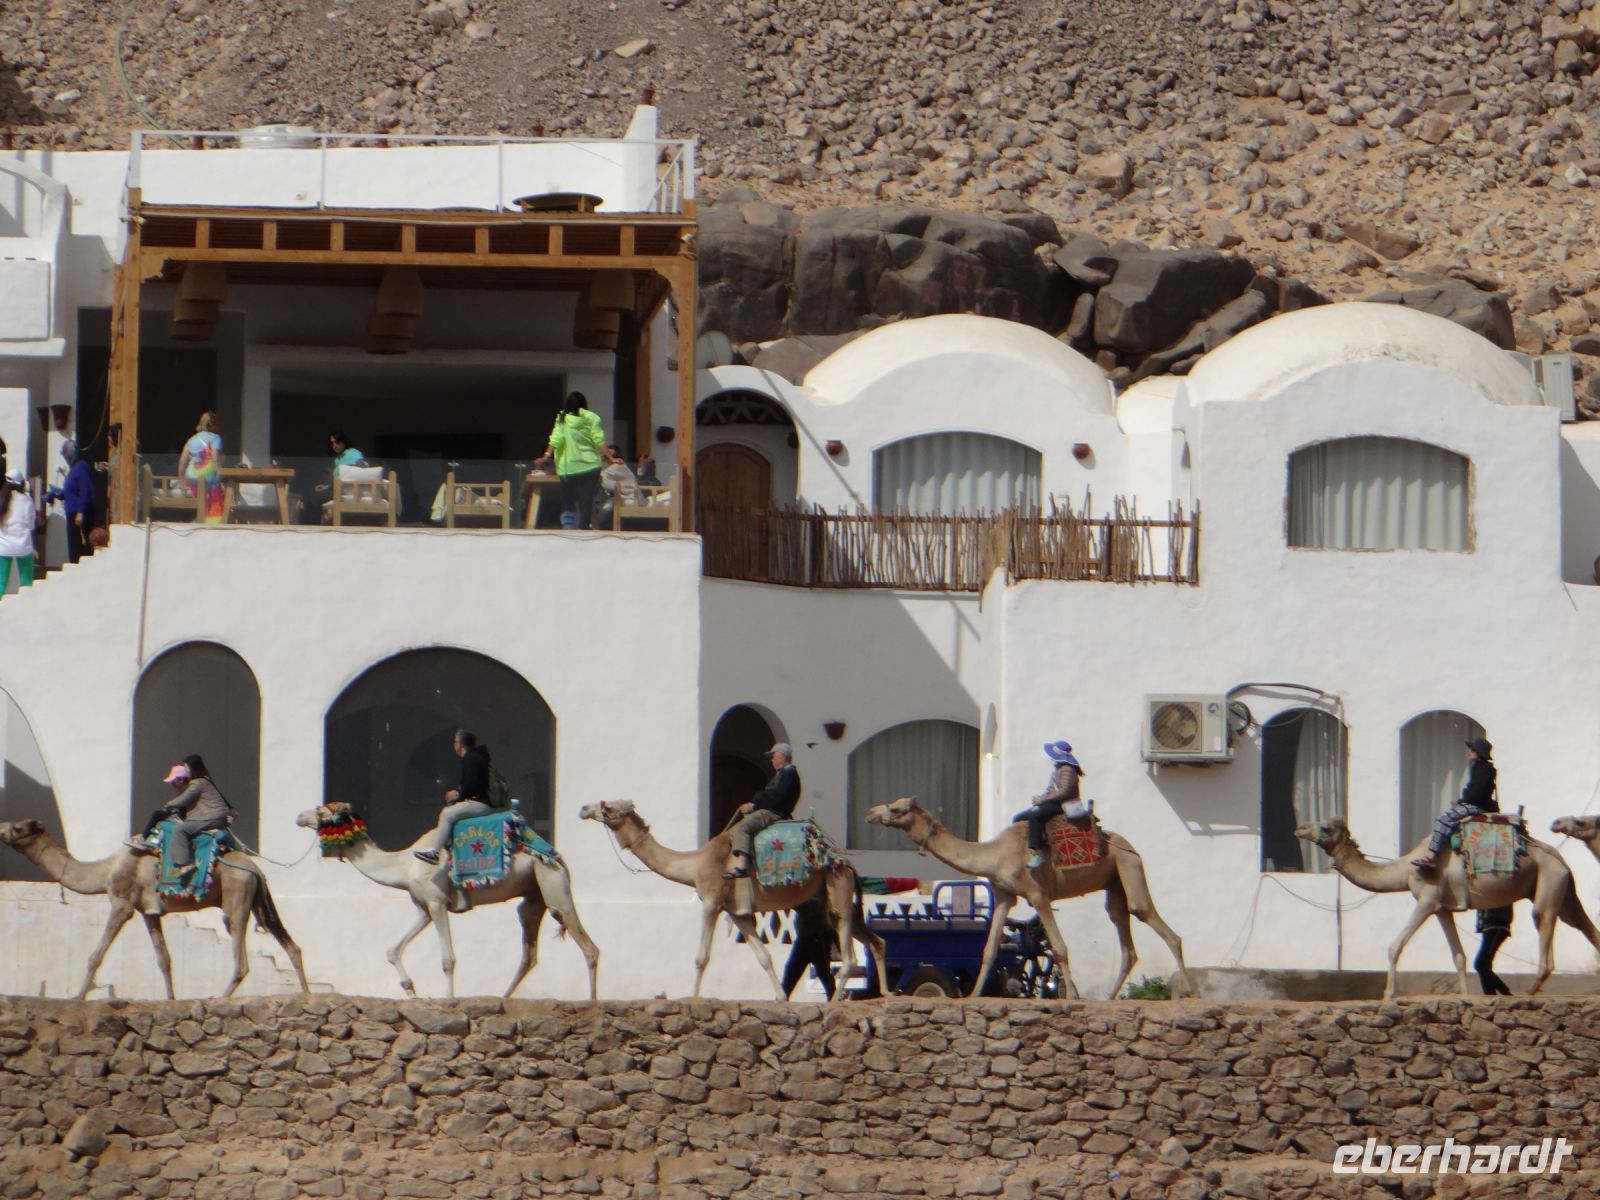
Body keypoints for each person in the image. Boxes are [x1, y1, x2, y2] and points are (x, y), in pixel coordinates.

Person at [131, 756, 232, 880]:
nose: (173, 784)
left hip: (210, 817)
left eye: (186, 768)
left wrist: (169, 804)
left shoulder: (197, 783)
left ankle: (184, 864)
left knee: (180, 830)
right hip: (214, 816)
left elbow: (184, 799)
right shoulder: (205, 781)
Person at [414, 729, 500, 864]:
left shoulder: (470, 758)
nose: (454, 745)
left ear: (460, 744)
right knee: (453, 812)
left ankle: (435, 852)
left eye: (455, 742)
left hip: (479, 804)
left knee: (446, 814)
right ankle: (449, 844)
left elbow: (472, 784)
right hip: (481, 803)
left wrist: (458, 793)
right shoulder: (476, 757)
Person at [1412, 736, 1497, 870]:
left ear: (1478, 752)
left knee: (1443, 819)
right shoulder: (1480, 768)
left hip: (1478, 807)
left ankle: (1430, 857)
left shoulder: (1484, 770)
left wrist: (1462, 801)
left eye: (1472, 750)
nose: (1469, 751)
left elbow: (1476, 794)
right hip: (1476, 804)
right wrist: (1461, 801)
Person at [724, 743, 800, 880]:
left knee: (742, 828)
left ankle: (742, 866)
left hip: (774, 813)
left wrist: (754, 805)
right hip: (775, 811)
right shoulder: (785, 774)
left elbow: (777, 797)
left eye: (773, 756)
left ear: (783, 757)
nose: (772, 760)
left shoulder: (788, 774)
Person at [532, 392, 606, 530]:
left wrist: (546, 456)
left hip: (569, 467)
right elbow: (599, 439)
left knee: (568, 499)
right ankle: (583, 528)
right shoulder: (591, 418)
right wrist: (610, 457)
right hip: (590, 465)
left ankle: (568, 528)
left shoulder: (562, 418)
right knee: (586, 500)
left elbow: (556, 439)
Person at [1012, 741, 1084, 870]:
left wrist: (1042, 800)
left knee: (1035, 814)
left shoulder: (1067, 770)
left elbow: (1063, 792)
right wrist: (1040, 798)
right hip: (1054, 802)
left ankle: (1038, 852)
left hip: (1064, 805)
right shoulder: (1058, 769)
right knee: (1019, 817)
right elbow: (1051, 789)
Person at [45, 440, 96, 562]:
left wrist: (81, 512)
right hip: (72, 514)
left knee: (79, 548)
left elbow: (85, 490)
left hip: (79, 515)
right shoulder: (73, 469)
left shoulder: (81, 467)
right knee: (73, 547)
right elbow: (70, 492)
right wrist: (56, 493)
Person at [782, 896, 837, 1000]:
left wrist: (790, 901)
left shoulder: (816, 893)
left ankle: (834, 999)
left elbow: (811, 907)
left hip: (817, 936)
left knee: (823, 972)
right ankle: (782, 998)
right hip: (804, 937)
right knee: (791, 971)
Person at [178, 411, 225, 525]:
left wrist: (182, 479)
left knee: (202, 496)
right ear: (214, 425)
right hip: (207, 476)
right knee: (220, 493)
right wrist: (221, 475)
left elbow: (182, 461)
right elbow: (215, 458)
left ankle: (199, 519)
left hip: (192, 475)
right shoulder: (216, 438)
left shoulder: (191, 439)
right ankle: (212, 522)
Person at [0, 472, 37, 598]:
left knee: (1, 582)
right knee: (26, 582)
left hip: (4, 546)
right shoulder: (26, 499)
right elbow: (31, 524)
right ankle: (27, 606)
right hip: (23, 544)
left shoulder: (1, 498)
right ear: (21, 484)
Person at [594, 444, 640, 529]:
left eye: (612, 456)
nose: (607, 457)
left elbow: (598, 477)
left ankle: (595, 526)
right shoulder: (613, 468)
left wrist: (598, 459)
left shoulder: (617, 467)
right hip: (621, 496)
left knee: (606, 507)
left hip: (627, 498)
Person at [1475, 905, 1514, 996]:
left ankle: (1505, 992)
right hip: (1490, 927)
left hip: (1497, 927)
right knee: (1485, 964)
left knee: (1480, 964)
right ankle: (1490, 994)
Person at [314, 432, 367, 498]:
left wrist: (358, 466)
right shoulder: (337, 459)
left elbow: (364, 469)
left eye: (337, 442)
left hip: (353, 496)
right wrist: (327, 487)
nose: (335, 445)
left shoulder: (352, 452)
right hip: (341, 496)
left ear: (343, 441)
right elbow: (340, 479)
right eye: (332, 443)